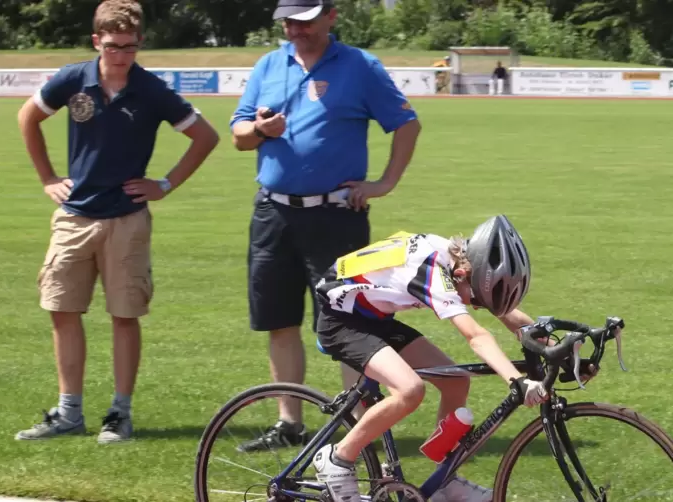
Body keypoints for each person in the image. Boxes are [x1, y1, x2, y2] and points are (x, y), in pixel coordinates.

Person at [14, 0, 220, 443]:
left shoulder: (151, 89)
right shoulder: (74, 79)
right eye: (112, 47)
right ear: (96, 42)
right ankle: (69, 412)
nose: (121, 55)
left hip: (126, 220)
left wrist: (165, 184)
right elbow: (27, 116)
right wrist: (48, 177)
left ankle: (119, 414)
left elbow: (205, 136)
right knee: (62, 310)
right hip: (74, 217)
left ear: (139, 43)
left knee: (124, 316)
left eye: (129, 47)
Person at [230, 0, 422, 451]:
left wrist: (384, 184)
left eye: (305, 20)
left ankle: (359, 427)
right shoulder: (268, 65)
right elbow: (238, 134)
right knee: (279, 319)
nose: (296, 28)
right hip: (273, 212)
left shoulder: (359, 66)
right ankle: (288, 423)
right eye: (289, 21)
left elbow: (406, 124)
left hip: (336, 215)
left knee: (346, 322)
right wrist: (261, 132)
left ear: (331, 16)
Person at [309, 215, 548, 502]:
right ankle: (337, 460)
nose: (475, 306)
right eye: (474, 300)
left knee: (456, 381)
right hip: (341, 323)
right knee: (409, 390)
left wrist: (548, 343)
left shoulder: (456, 260)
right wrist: (516, 380)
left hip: (372, 317)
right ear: (462, 276)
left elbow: (502, 309)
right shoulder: (434, 273)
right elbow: (476, 336)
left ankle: (444, 481)